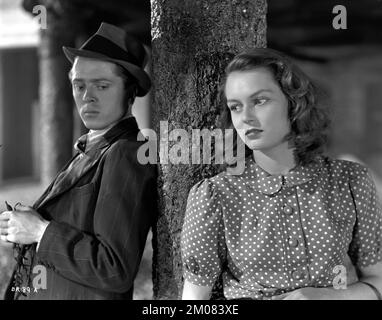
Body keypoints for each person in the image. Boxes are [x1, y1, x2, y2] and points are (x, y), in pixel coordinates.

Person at [181, 48, 382, 300]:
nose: (246, 117)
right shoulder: (215, 195)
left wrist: (333, 296)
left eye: (260, 101)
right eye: (235, 107)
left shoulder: (349, 180)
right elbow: (193, 299)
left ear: (293, 102)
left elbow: (377, 280)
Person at [0, 22, 157, 300]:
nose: (88, 96)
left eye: (102, 85)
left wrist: (39, 230)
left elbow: (114, 268)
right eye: (79, 85)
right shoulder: (92, 147)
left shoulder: (126, 153)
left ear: (129, 92)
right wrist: (27, 224)